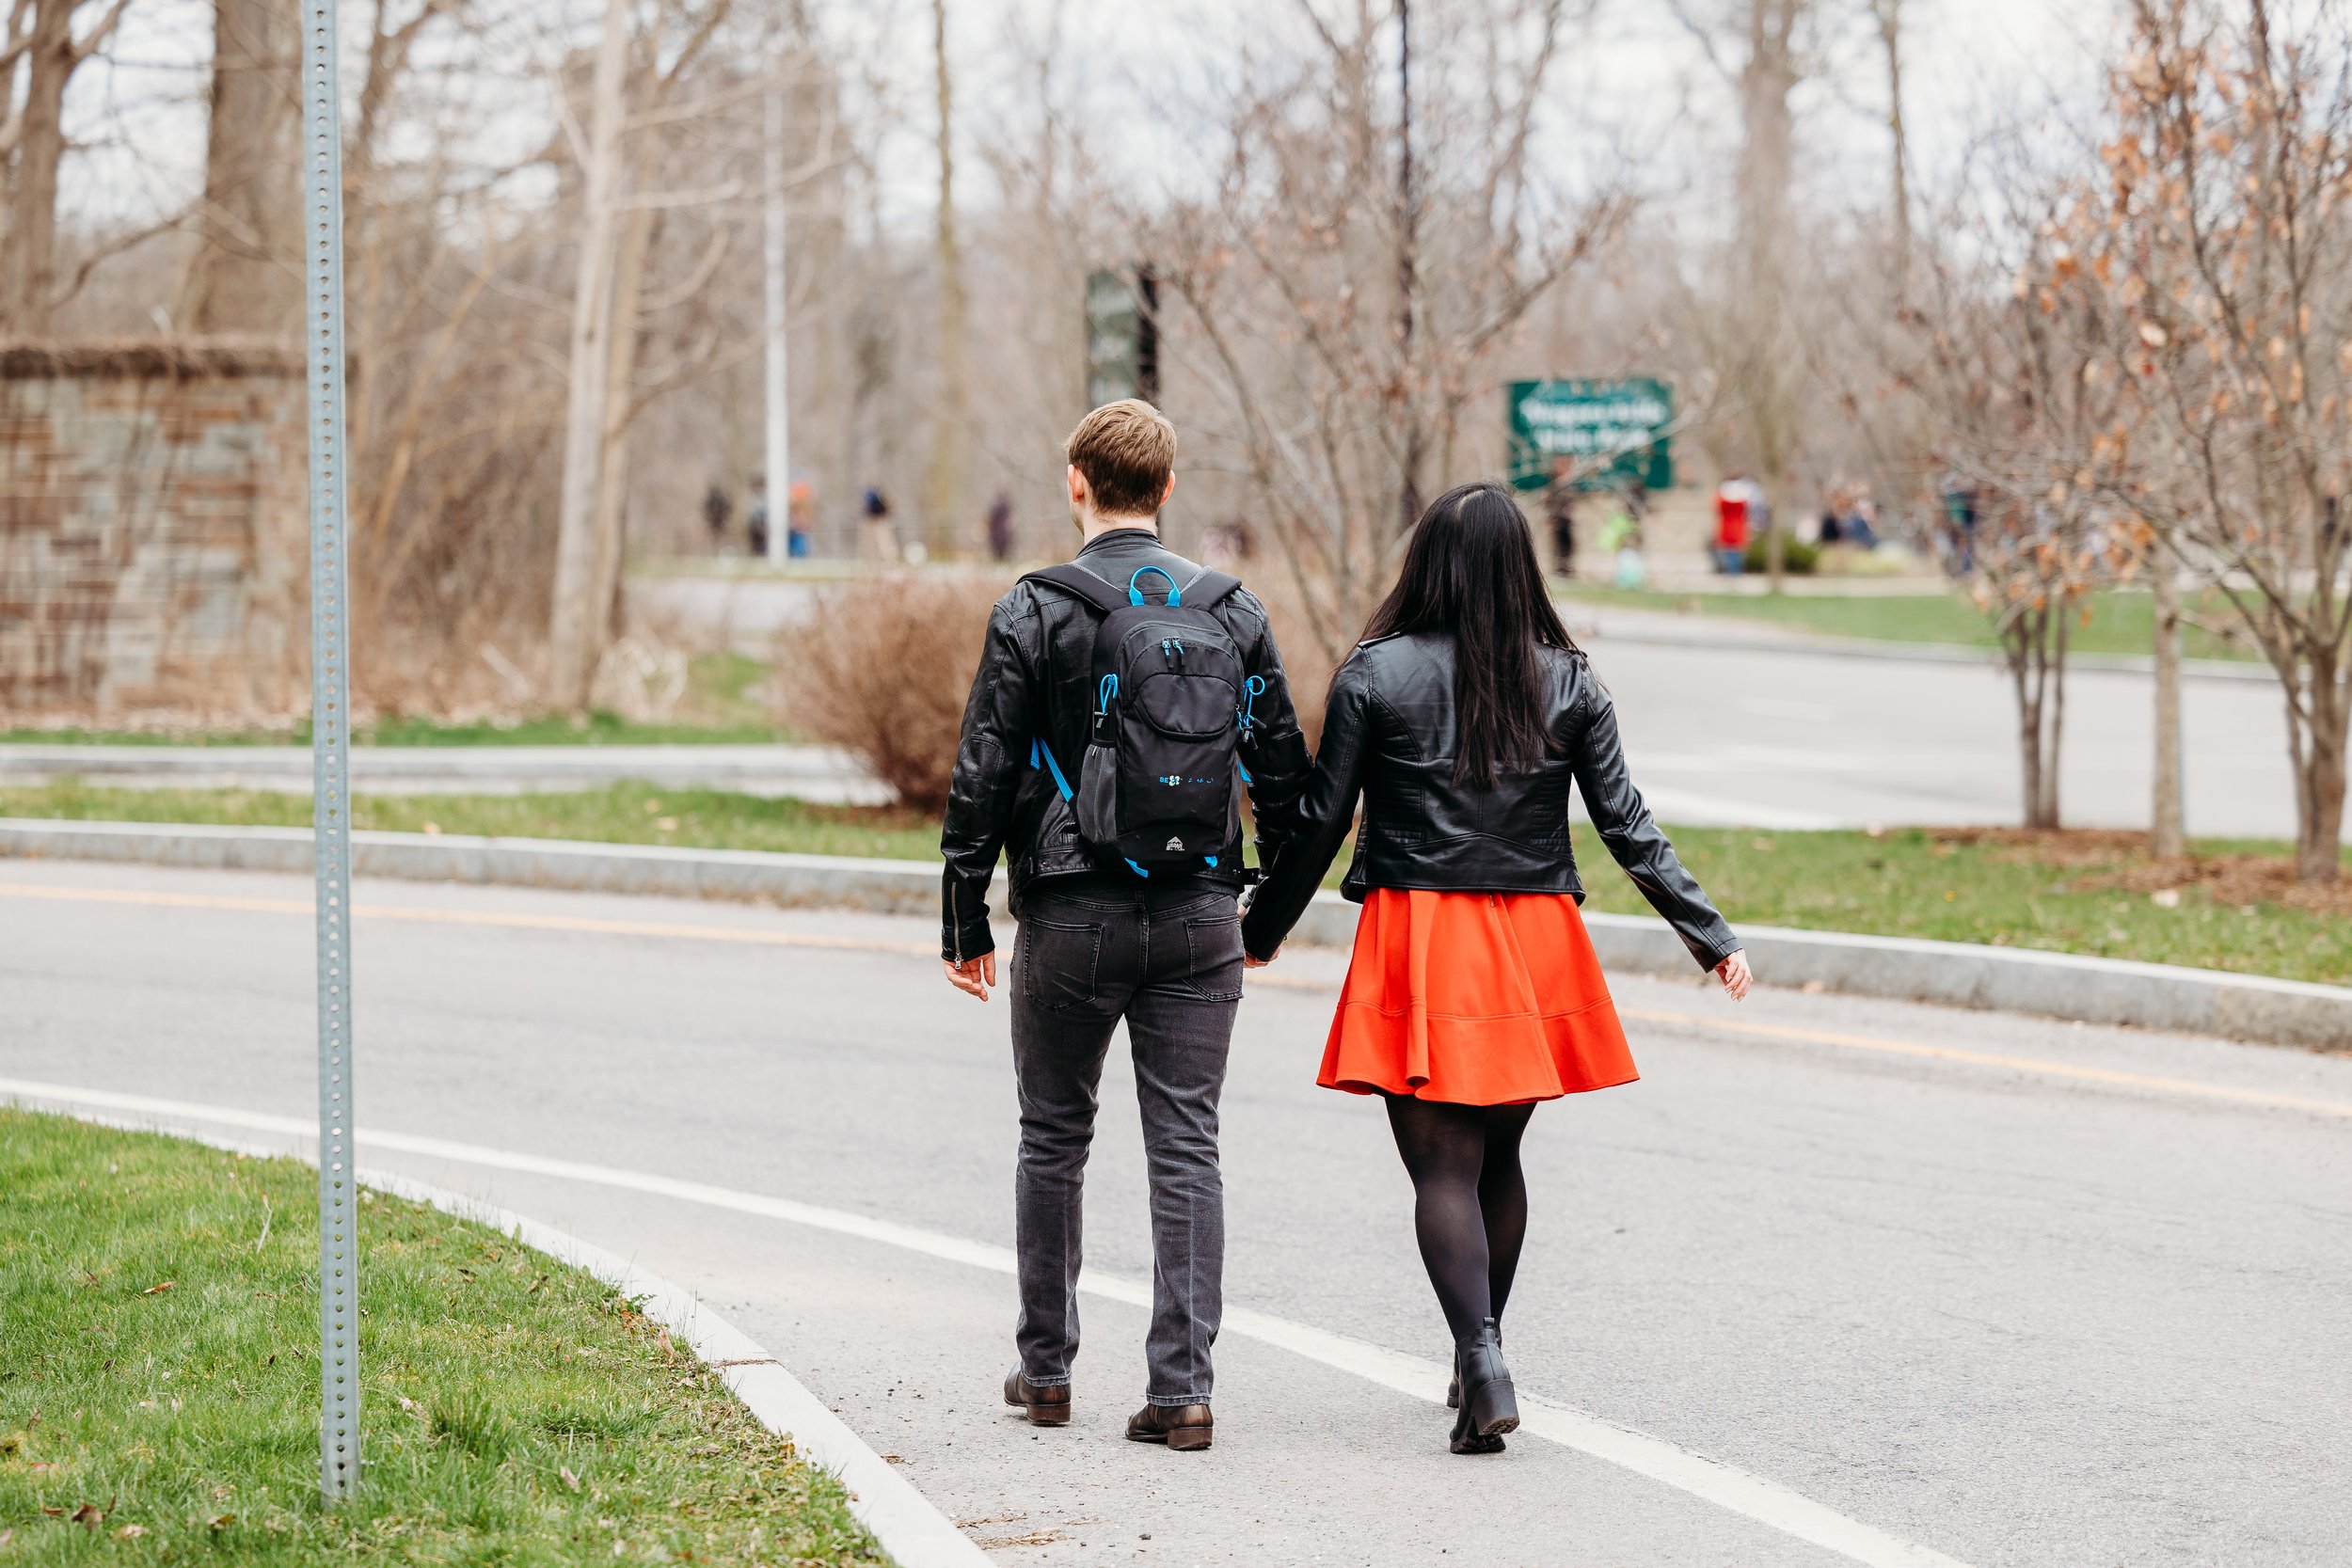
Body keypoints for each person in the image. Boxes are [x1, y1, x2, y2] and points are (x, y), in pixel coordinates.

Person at [1239, 481, 1751, 1456]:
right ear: (1522, 565)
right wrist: (1709, 934)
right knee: (1499, 1159)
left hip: (1421, 932)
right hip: (1529, 942)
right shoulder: (1569, 678)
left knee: (1440, 1164)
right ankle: (1483, 1356)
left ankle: (1479, 1355)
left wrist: (1259, 929)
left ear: (1424, 560)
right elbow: (1625, 824)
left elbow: (1317, 820)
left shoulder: (1373, 674)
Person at [939, 399, 1311, 1454]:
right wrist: (1264, 913)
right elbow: (1284, 772)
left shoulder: (1034, 606)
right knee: (1187, 1144)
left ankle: (1047, 1369)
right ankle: (1182, 1387)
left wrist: (962, 911)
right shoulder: (1230, 607)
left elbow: (983, 770)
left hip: (1070, 911)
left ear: (1074, 482)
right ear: (1168, 487)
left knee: (1053, 1134)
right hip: (1200, 912)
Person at [1543, 457, 1578, 578]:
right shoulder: (1554, 484)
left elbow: (1570, 501)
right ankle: (1559, 568)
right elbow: (1550, 503)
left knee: (1568, 543)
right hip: (1557, 518)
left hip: (1566, 519)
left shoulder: (1567, 484)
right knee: (1558, 543)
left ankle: (1566, 568)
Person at [861, 485, 896, 564]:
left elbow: (888, 508)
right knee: (872, 543)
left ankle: (887, 560)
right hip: (872, 521)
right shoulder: (869, 495)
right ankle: (872, 560)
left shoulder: (880, 496)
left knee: (884, 542)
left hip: (880, 521)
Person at [985, 490, 1016, 562]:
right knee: (1003, 547)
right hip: (1003, 531)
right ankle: (1002, 561)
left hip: (997, 531)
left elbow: (991, 518)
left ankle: (999, 562)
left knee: (997, 548)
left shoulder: (995, 506)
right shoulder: (1006, 505)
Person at [703, 483, 732, 552]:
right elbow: (706, 509)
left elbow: (727, 507)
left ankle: (721, 550)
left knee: (720, 536)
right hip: (713, 520)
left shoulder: (721, 498)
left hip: (720, 520)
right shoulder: (710, 498)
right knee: (714, 536)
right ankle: (714, 550)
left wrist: (725, 518)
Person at [746, 475, 771, 559]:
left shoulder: (767, 497)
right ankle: (756, 556)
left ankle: (763, 556)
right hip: (755, 525)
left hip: (763, 523)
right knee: (756, 544)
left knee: (764, 543)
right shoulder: (751, 497)